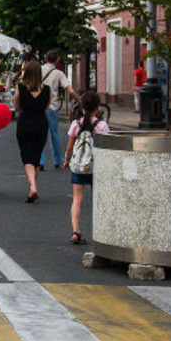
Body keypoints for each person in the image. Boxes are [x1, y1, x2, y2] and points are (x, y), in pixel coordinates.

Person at [64, 91, 109, 245]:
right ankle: (100, 232)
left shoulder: (76, 124)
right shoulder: (102, 126)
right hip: (96, 167)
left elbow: (70, 147)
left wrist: (67, 160)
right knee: (98, 200)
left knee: (77, 199)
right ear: (97, 108)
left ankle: (76, 231)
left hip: (79, 166)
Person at [14, 59, 49, 203]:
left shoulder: (21, 87)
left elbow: (16, 106)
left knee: (27, 157)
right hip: (41, 123)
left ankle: (33, 186)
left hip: (25, 123)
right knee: (36, 157)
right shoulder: (46, 89)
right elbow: (46, 107)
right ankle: (31, 188)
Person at [41, 51, 78, 169]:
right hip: (53, 106)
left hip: (40, 106)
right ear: (57, 60)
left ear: (46, 58)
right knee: (54, 134)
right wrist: (79, 99)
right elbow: (69, 89)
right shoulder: (58, 73)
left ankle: (40, 161)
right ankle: (56, 160)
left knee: (41, 134)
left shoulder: (39, 70)